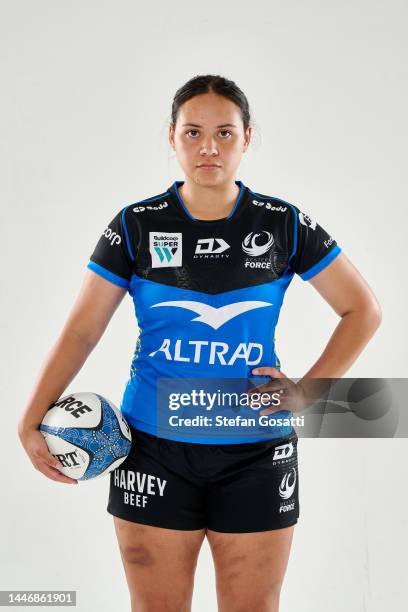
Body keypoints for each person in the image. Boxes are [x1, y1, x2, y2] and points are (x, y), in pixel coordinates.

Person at [18, 74, 382, 612]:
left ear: (247, 138)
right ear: (171, 138)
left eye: (224, 133)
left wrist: (307, 392)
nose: (208, 147)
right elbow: (80, 330)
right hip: (151, 450)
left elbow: (363, 311)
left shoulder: (282, 223)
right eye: (192, 132)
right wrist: (29, 419)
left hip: (258, 452)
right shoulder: (135, 225)